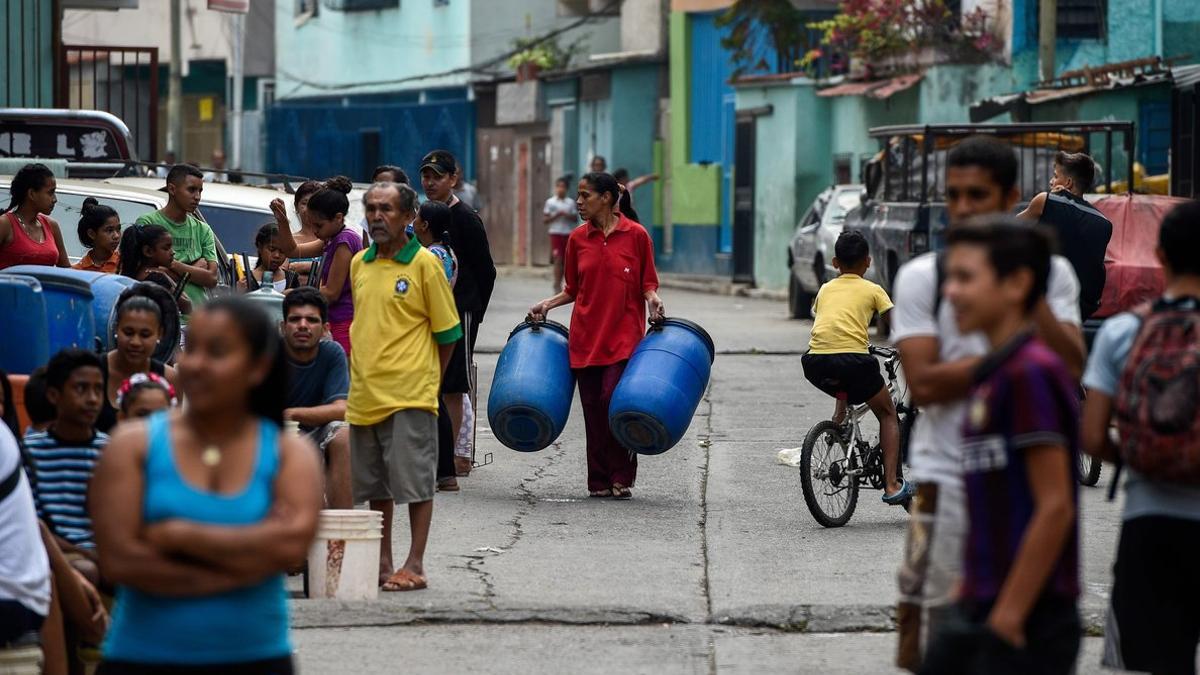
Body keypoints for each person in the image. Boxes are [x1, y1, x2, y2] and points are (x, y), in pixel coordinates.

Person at [892, 135, 1085, 671]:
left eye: (978, 195)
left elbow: (1071, 365)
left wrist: (1027, 284)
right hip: (942, 482)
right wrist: (1009, 355)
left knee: (1011, 636)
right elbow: (924, 384)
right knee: (930, 638)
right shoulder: (925, 278)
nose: (963, 210)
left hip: (1020, 481)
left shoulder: (1051, 275)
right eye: (954, 196)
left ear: (1012, 198)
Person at [90, 297, 321, 673]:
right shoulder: (132, 445)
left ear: (258, 367)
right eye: (191, 348)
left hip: (257, 659)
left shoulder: (290, 455)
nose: (195, 364)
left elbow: (292, 550)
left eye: (217, 352)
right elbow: (120, 561)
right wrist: (247, 560)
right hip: (141, 659)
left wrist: (179, 535)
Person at [922, 220, 1080, 674]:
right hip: (981, 600)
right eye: (949, 277)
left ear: (1017, 284)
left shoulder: (1030, 372)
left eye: (966, 278)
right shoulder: (993, 374)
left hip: (1028, 614)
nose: (950, 292)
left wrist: (1008, 617)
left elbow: (1055, 507)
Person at [1080, 200, 1200, 674]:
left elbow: (1091, 436)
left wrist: (1145, 455)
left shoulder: (1123, 331)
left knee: (1151, 661)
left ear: (1161, 257)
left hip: (1148, 521)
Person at [348, 181, 461, 591]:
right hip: (364, 394)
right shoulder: (360, 262)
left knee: (414, 483)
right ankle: (383, 563)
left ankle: (415, 564)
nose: (378, 216)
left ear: (409, 216)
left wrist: (429, 380)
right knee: (376, 486)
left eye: (388, 209)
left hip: (410, 392)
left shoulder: (425, 265)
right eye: (372, 208)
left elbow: (448, 333)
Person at [529, 172, 664, 499]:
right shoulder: (577, 239)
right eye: (578, 195)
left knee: (611, 401)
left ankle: (622, 474)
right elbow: (572, 289)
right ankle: (599, 480)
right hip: (586, 337)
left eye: (585, 195)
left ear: (606, 198)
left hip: (623, 337)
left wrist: (653, 300)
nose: (578, 202)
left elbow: (648, 282)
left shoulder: (637, 235)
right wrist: (547, 304)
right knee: (591, 408)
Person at [801, 230, 908, 503]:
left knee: (842, 375)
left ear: (835, 263)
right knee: (888, 414)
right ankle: (893, 485)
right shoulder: (873, 290)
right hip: (854, 361)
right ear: (868, 262)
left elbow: (827, 321)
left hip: (814, 361)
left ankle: (839, 419)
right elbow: (898, 328)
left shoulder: (825, 289)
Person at [419, 150, 497, 451]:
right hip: (427, 315)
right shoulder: (425, 215)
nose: (430, 182)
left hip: (458, 313)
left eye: (437, 176)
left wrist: (473, 313)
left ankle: (450, 458)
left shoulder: (466, 218)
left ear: (453, 178)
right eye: (426, 175)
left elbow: (485, 272)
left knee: (453, 385)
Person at [24, 350, 107, 558]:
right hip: (52, 552)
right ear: (54, 395)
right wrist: (83, 553)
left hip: (107, 552)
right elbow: (32, 524)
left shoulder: (111, 451)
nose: (93, 399)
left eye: (98, 390)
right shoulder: (29, 451)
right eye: (81, 389)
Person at [271, 177, 361, 356]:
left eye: (319, 225)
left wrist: (296, 295)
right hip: (332, 320)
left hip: (345, 322)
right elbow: (292, 250)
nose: (315, 231)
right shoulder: (331, 238)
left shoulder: (345, 240)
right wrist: (282, 221)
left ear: (338, 218)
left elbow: (332, 292)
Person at [1018, 151, 1112, 320]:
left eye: (1055, 176)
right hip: (1080, 309)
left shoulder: (1045, 201)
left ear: (1068, 183)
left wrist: (1053, 198)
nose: (1051, 181)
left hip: (1042, 302)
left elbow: (1010, 226)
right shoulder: (1104, 223)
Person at [281, 288, 352, 510]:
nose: (303, 325)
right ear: (283, 327)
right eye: (295, 319)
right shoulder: (269, 353)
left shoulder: (332, 352)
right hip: (277, 433)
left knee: (344, 436)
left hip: (317, 430)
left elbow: (342, 409)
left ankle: (342, 532)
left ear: (325, 329)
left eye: (312, 320)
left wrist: (292, 413)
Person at [413, 200, 463, 491]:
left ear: (425, 225)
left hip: (432, 329)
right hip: (436, 326)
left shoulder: (433, 255)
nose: (414, 221)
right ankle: (444, 472)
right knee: (435, 399)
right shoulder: (443, 252)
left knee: (432, 400)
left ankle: (441, 471)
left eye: (417, 217)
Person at [134, 164, 219, 315]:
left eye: (200, 191)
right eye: (191, 190)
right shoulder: (147, 223)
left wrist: (168, 268)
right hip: (160, 316)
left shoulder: (203, 229)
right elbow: (144, 273)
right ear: (172, 189)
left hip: (196, 319)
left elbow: (212, 278)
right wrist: (196, 269)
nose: (197, 197)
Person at [97, 296, 178, 434]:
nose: (135, 342)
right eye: (128, 333)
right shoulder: (94, 371)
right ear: (116, 329)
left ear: (160, 334)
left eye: (145, 335)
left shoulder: (169, 378)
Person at [0, 163, 71, 269]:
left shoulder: (52, 226)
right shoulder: (4, 224)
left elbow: (66, 270)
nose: (55, 199)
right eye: (50, 193)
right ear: (32, 194)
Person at [117, 224, 194, 315]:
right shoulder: (156, 279)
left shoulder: (136, 273)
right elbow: (187, 306)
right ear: (148, 251)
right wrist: (166, 276)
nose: (172, 252)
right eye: (166, 248)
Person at [239, 223, 300, 293]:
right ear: (260, 247)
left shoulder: (292, 279)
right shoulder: (244, 280)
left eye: (282, 251)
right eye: (272, 249)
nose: (277, 255)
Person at [544, 176, 577, 293]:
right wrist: (557, 215)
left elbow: (575, 218)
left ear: (566, 189)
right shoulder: (550, 202)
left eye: (563, 187)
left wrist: (566, 215)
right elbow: (545, 220)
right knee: (558, 258)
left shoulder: (570, 203)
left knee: (566, 260)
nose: (560, 189)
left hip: (567, 233)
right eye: (558, 186)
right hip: (555, 233)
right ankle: (556, 283)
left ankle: (564, 282)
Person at [73, 198, 122, 273]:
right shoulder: (78, 270)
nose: (116, 236)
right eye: (109, 230)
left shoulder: (125, 264)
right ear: (92, 234)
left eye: (118, 229)